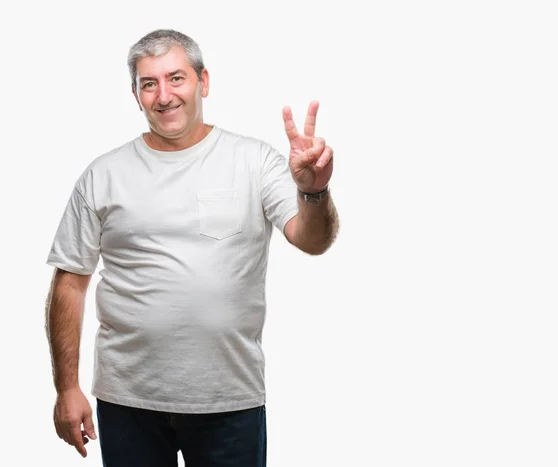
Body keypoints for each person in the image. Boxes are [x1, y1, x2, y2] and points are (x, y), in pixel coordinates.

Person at [44, 28, 339, 466]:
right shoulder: (103, 174)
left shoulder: (253, 161)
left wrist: (314, 192)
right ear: (136, 94)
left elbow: (312, 240)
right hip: (128, 401)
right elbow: (69, 284)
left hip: (228, 400)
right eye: (149, 83)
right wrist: (66, 388)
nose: (164, 96)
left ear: (203, 82)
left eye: (176, 78)